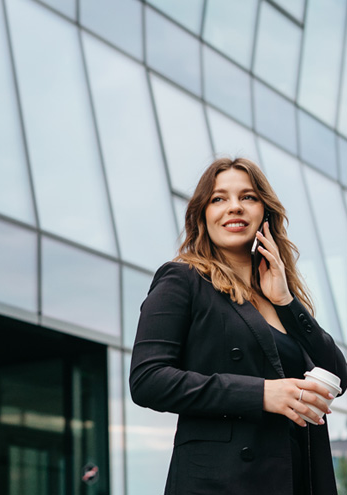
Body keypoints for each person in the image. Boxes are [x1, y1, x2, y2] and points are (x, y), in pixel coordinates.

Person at [129, 157, 347, 495]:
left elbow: (338, 376)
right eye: (219, 199)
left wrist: (286, 301)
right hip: (220, 482)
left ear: (265, 213)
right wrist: (260, 393)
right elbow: (147, 379)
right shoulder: (182, 280)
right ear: (202, 214)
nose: (235, 207)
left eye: (248, 197)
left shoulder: (280, 297)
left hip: (295, 479)